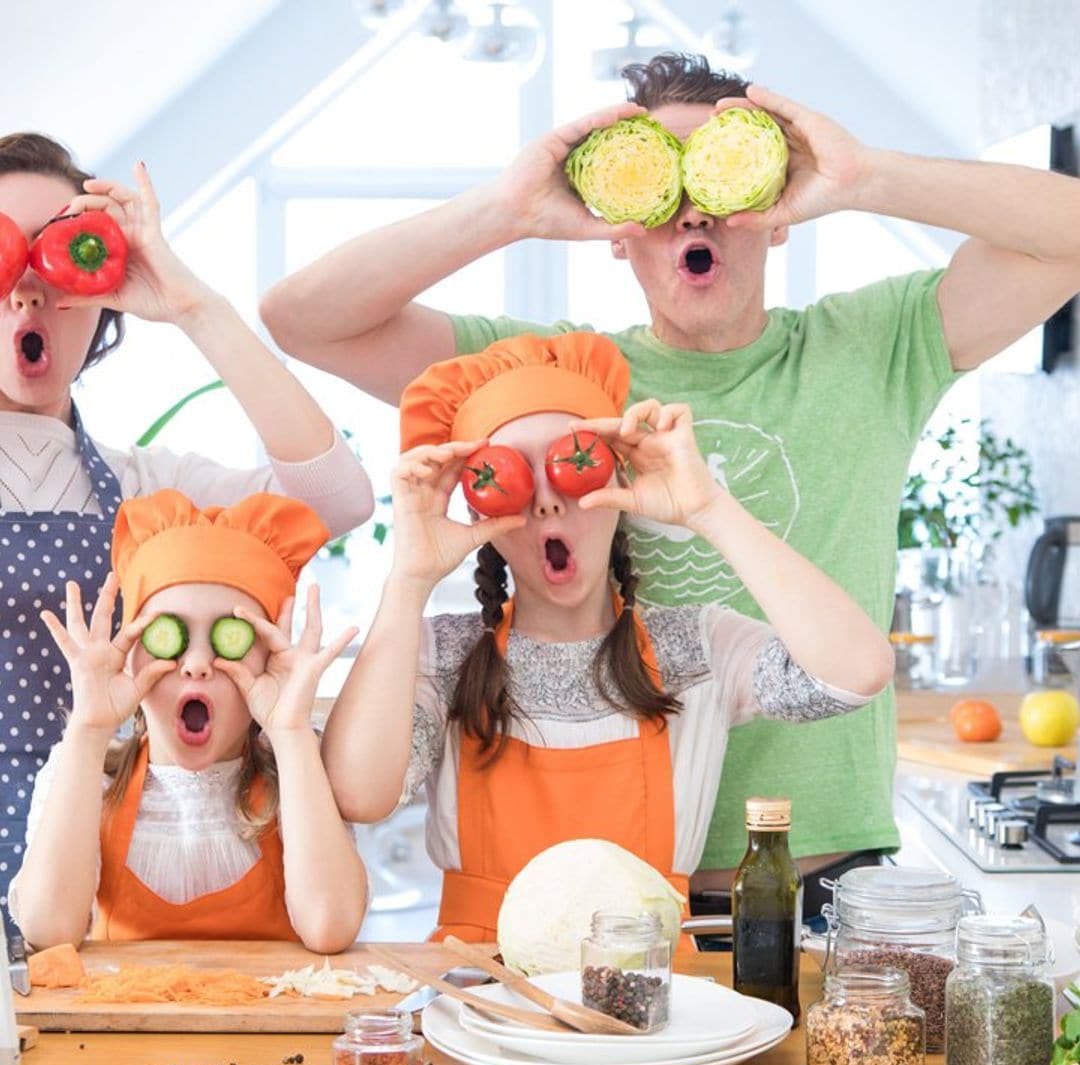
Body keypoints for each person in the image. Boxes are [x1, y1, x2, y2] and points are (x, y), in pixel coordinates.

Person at [261, 53, 1080, 913]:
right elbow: (302, 318)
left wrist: (862, 175)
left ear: (780, 211)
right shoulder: (553, 386)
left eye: (722, 182)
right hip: (595, 890)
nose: (695, 208)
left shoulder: (876, 344)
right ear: (615, 226)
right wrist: (505, 211)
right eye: (659, 185)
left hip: (822, 866)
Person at [321, 332, 894, 943]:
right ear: (480, 507)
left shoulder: (698, 649)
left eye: (572, 466)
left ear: (618, 481)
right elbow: (359, 793)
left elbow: (855, 673)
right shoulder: (447, 655)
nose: (546, 503)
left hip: (654, 1002)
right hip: (482, 1001)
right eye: (511, 475)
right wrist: (409, 576)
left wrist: (705, 507)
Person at [0, 132, 374, 921]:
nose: (28, 288)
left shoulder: (147, 491)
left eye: (59, 253)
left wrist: (192, 306)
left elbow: (336, 496)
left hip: (86, 886)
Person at [9, 489, 366, 951]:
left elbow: (330, 927)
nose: (197, 662)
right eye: (169, 634)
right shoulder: (87, 773)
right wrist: (88, 731)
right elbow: (48, 931)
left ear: (271, 659)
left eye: (229, 636)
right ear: (131, 654)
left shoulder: (303, 769)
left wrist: (291, 732)